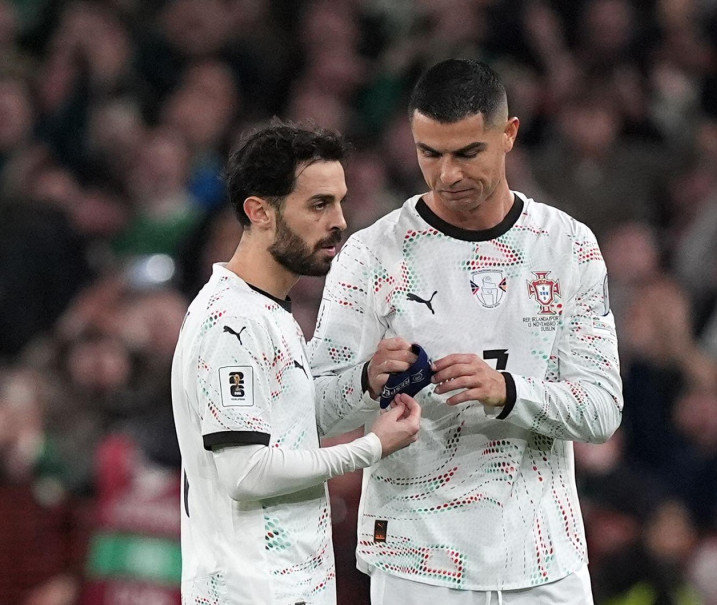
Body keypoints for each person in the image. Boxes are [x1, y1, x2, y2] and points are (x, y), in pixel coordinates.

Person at [309, 59, 623, 604]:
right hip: (415, 560)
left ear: (509, 135)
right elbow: (310, 409)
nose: (447, 174)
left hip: (542, 557)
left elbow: (601, 410)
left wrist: (509, 391)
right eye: (429, 153)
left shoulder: (567, 247)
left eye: (467, 153)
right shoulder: (371, 256)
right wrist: (364, 380)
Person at [170, 118, 421, 605]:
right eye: (319, 204)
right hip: (251, 591)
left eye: (340, 201)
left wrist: (364, 382)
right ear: (260, 211)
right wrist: (371, 447)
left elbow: (288, 431)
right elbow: (246, 473)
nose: (340, 221)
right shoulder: (231, 324)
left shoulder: (269, 310)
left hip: (288, 586)